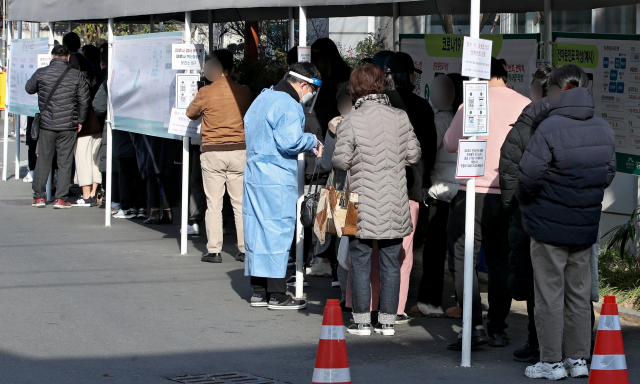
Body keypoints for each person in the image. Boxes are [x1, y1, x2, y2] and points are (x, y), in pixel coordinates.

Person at [517, 65, 616, 380]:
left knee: (549, 294)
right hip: (585, 222)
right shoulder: (604, 127)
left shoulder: (548, 127)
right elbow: (608, 173)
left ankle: (551, 362)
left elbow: (529, 176)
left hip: (548, 224)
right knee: (578, 294)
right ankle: (578, 360)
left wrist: (530, 200)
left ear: (556, 91)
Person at [443, 57, 531, 350]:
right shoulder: (525, 104)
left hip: (471, 192)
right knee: (500, 261)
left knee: (462, 256)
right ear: (504, 75)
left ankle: (473, 325)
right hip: (509, 194)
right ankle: (497, 328)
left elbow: (450, 143)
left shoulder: (470, 102)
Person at [333, 64, 421, 336]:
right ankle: (387, 321)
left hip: (360, 202)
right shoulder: (400, 116)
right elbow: (413, 156)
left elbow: (341, 160)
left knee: (359, 260)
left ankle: (360, 321)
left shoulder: (351, 120)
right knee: (390, 261)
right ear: (382, 85)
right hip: (394, 200)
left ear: (355, 88)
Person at [243, 62, 323, 310]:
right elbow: (290, 142)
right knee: (277, 231)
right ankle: (278, 294)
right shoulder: (289, 104)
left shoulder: (262, 97)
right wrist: (311, 139)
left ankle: (259, 290)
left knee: (255, 228)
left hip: (254, 172)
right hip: (276, 176)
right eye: (310, 88)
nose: (309, 94)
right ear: (303, 84)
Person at [498, 64, 554, 364]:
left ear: (536, 91)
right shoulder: (573, 122)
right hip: (567, 219)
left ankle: (536, 341)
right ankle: (575, 345)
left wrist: (514, 210)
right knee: (568, 286)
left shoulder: (524, 126)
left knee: (534, 284)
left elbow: (508, 174)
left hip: (528, 217)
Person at [383, 51, 437, 324]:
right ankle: (396, 307)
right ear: (411, 77)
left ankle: (368, 305)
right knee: (403, 251)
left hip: (375, 187)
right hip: (410, 188)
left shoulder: (374, 106)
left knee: (371, 250)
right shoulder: (421, 108)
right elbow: (427, 152)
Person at [186, 49, 252, 263]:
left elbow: (190, 113)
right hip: (240, 151)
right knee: (240, 203)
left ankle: (214, 250)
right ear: (232, 69)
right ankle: (243, 249)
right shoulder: (244, 91)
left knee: (214, 203)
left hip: (213, 151)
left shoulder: (206, 92)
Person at [412, 73, 464, 318]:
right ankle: (464, 302)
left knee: (435, 248)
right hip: (462, 190)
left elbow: (429, 150)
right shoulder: (462, 117)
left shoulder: (440, 120)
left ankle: (430, 301)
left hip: (440, 191)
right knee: (460, 250)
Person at [26, 44, 90, 208]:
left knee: (43, 160)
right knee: (65, 161)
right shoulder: (77, 75)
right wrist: (80, 121)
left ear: (52, 57)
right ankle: (61, 199)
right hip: (69, 125)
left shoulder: (42, 73)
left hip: (47, 124)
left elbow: (29, 88)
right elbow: (84, 100)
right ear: (68, 57)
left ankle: (39, 198)